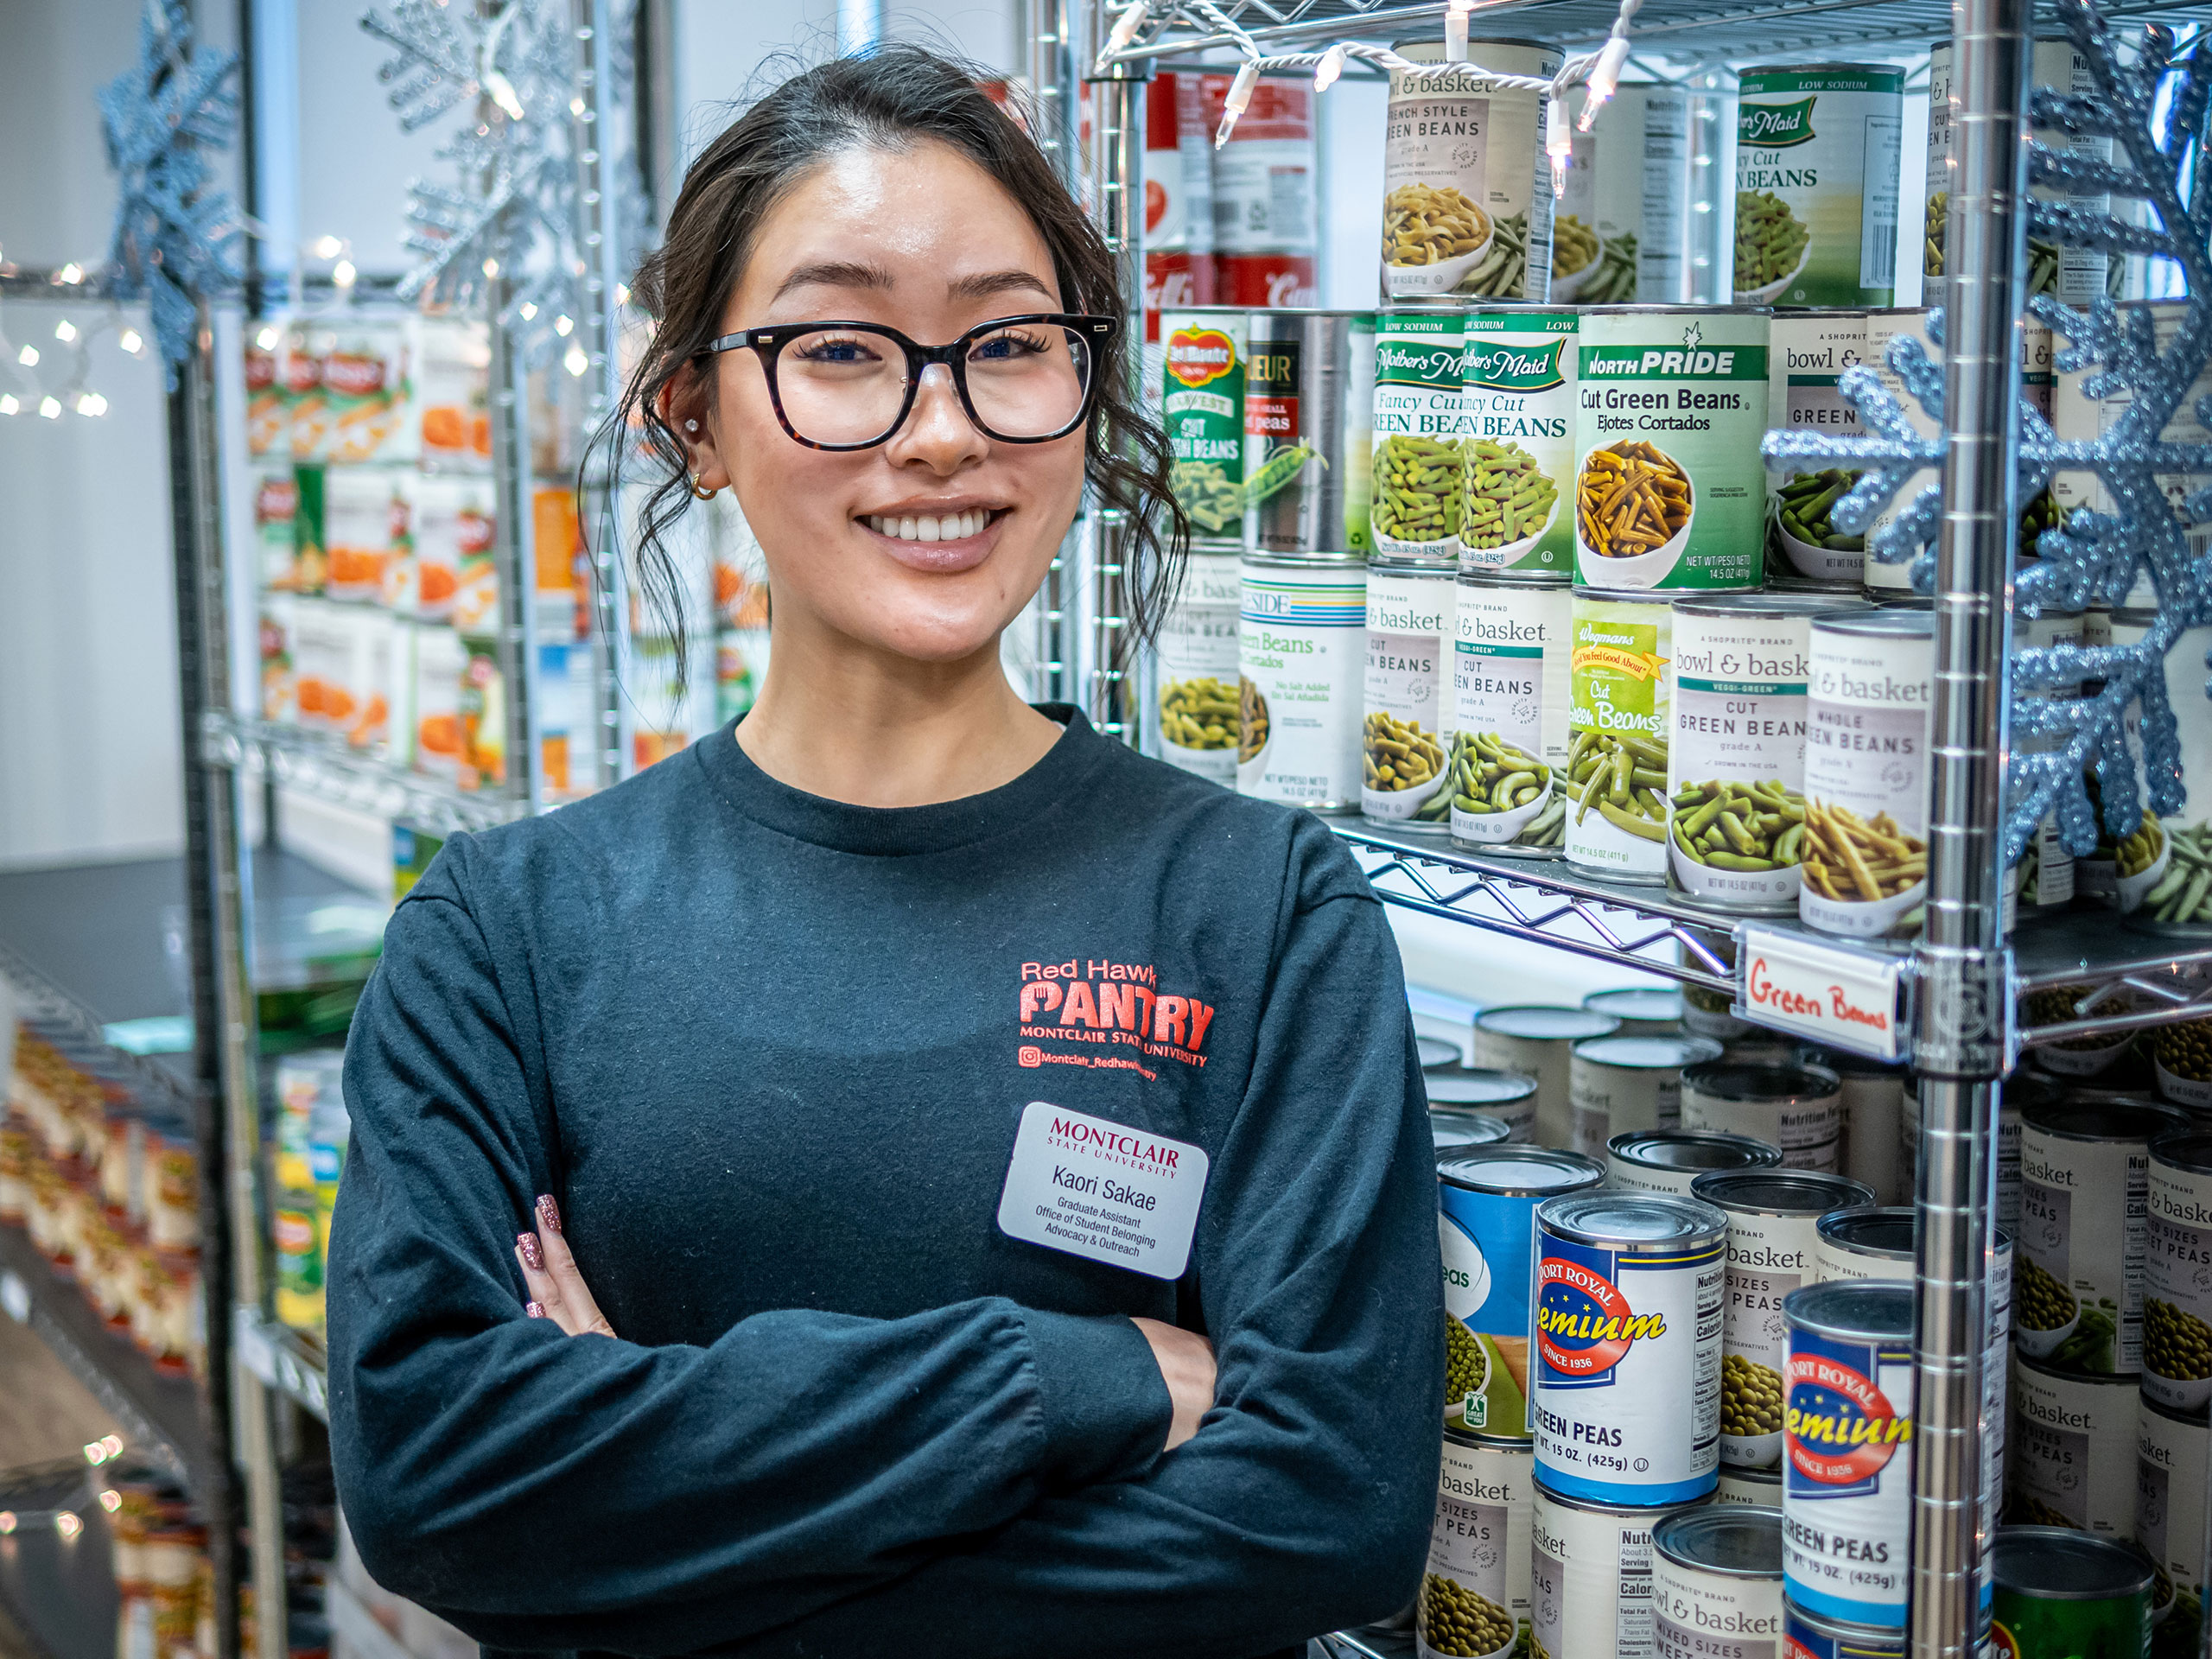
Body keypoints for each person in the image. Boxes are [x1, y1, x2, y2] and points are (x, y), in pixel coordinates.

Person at [327, 44, 1441, 1659]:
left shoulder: (1262, 909)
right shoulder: (505, 934)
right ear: (689, 414)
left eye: (1009, 343)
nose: (942, 432)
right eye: (844, 349)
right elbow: (436, 1476)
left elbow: (1329, 1511)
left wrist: (643, 1513)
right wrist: (1094, 1381)